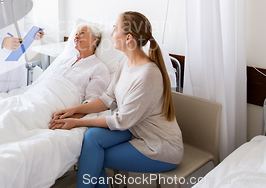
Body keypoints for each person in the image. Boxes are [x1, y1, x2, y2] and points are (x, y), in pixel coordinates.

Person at [49, 11, 183, 188]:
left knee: (93, 154)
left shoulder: (148, 75)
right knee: (91, 138)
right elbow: (107, 98)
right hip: (136, 130)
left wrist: (75, 122)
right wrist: (75, 110)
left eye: (115, 29)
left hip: (159, 147)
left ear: (128, 38)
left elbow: (121, 120)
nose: (111, 34)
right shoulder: (125, 63)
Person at [35, 23, 110, 104]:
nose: (76, 37)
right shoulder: (64, 61)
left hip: (56, 104)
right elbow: (43, 81)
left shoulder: (99, 68)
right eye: (76, 34)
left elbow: (92, 102)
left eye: (82, 33)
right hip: (39, 96)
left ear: (94, 39)